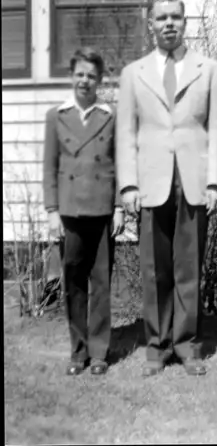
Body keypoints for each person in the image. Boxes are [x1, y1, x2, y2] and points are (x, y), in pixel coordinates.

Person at [116, 0, 217, 377]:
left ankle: (186, 345)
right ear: (151, 24)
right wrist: (128, 185)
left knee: (188, 267)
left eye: (175, 18)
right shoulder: (134, 74)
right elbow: (126, 134)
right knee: (154, 268)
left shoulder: (208, 69)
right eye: (161, 18)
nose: (168, 24)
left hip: (194, 182)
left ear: (185, 22)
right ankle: (156, 347)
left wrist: (216, 182)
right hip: (151, 183)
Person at [43, 47, 125, 376]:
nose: (85, 81)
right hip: (70, 212)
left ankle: (100, 352)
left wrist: (119, 207)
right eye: (79, 74)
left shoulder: (110, 116)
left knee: (101, 283)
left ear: (100, 79)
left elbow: (119, 164)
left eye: (91, 75)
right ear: (71, 76)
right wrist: (51, 211)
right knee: (74, 282)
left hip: (102, 211)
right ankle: (78, 352)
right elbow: (49, 168)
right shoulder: (56, 116)